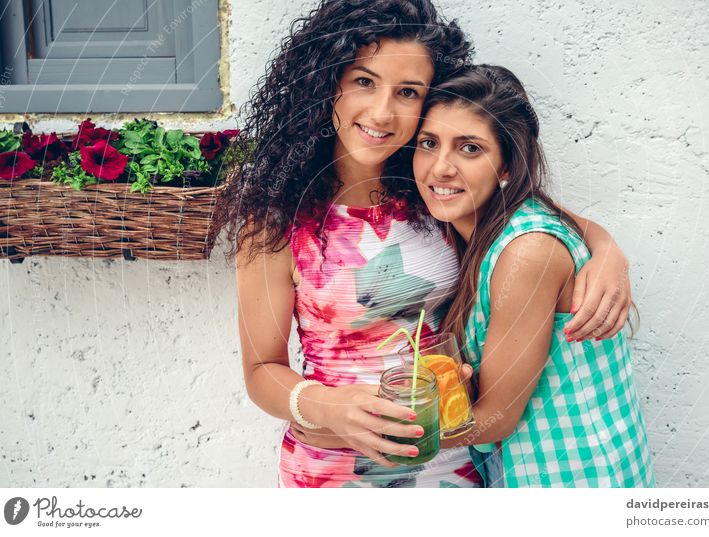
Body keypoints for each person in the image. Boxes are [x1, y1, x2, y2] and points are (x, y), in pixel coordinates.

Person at [210, 0, 636, 488]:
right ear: (328, 86)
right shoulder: (277, 221)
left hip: (455, 460)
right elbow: (261, 370)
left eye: (408, 92)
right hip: (333, 468)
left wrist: (607, 251)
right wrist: (332, 408)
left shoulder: (435, 192)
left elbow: (538, 220)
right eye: (364, 82)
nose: (382, 111)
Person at [411, 64, 656, 487]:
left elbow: (496, 419)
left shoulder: (527, 251)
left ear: (507, 166)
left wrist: (366, 427)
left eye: (469, 148)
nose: (440, 168)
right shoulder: (488, 228)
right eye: (429, 143)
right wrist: (606, 245)